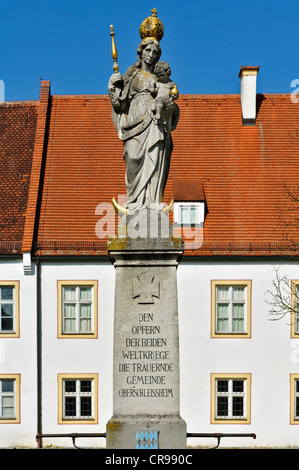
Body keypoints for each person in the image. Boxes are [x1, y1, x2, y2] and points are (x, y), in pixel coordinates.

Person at [108, 38, 179, 212]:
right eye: (148, 51)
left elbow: (170, 102)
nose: (151, 55)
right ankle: (133, 202)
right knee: (132, 157)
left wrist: (170, 106)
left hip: (155, 123)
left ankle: (152, 201)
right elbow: (119, 104)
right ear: (141, 52)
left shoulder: (160, 78)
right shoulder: (132, 75)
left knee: (155, 159)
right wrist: (112, 86)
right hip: (133, 123)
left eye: (155, 52)